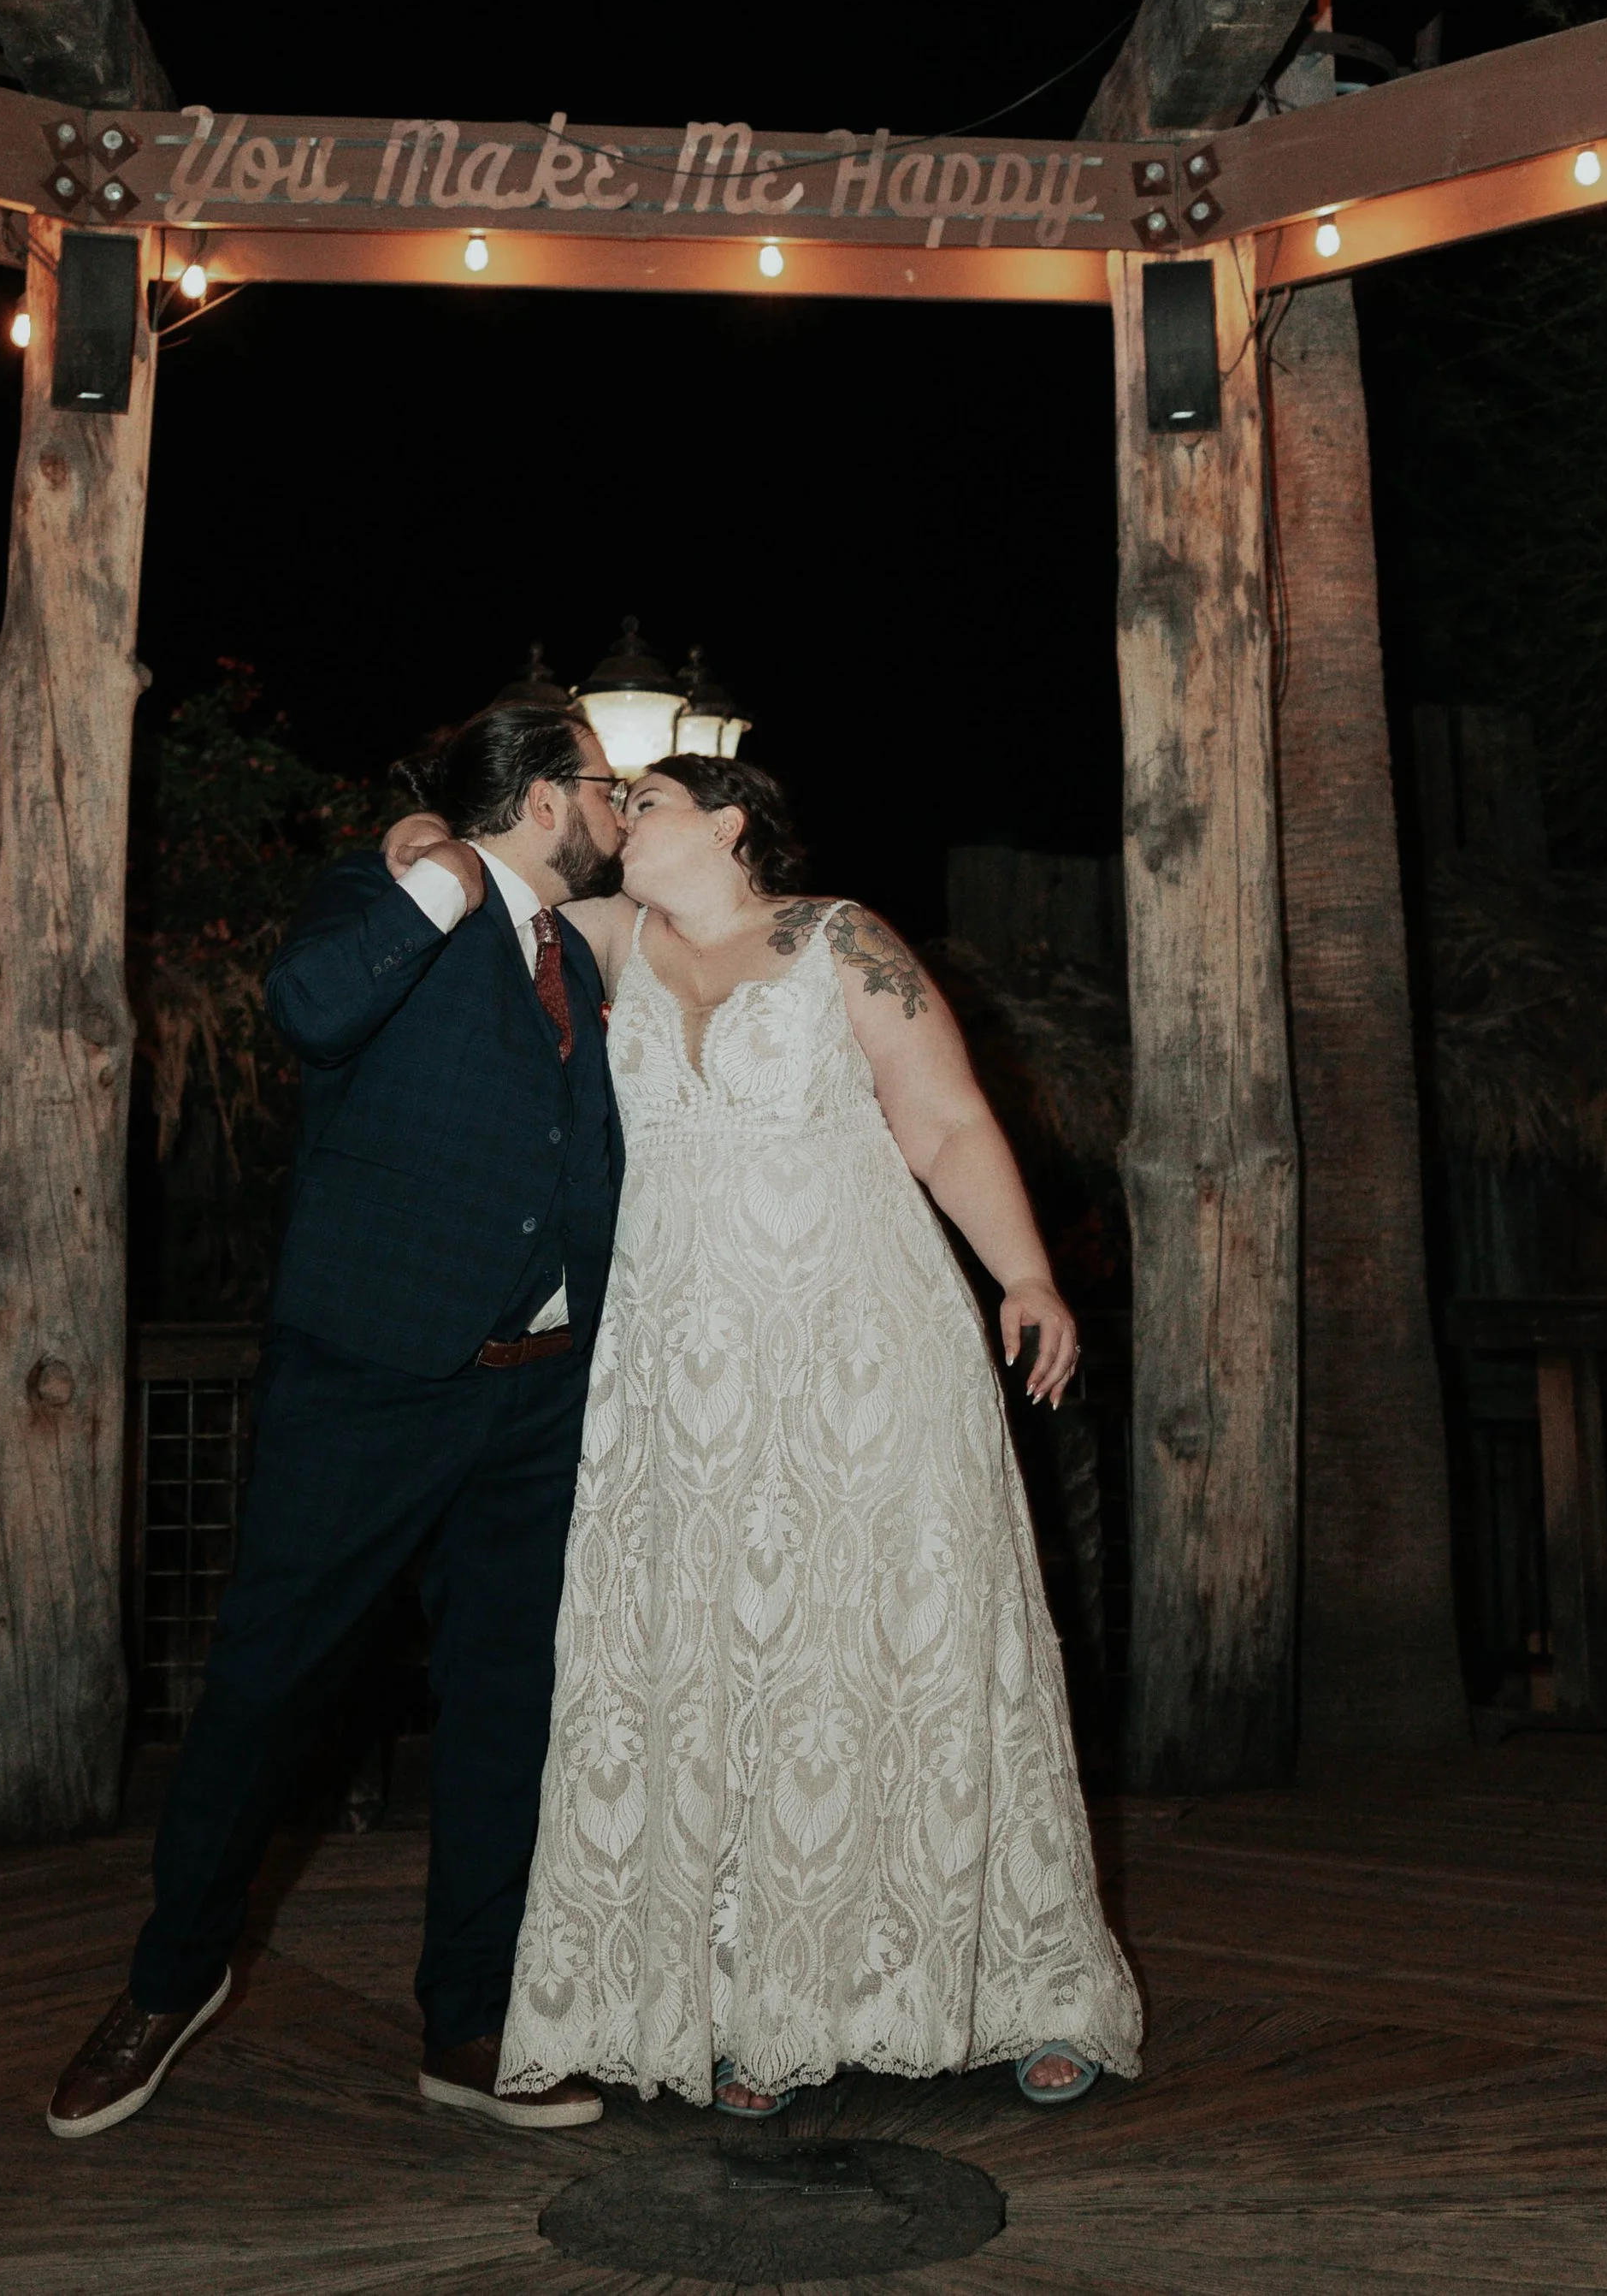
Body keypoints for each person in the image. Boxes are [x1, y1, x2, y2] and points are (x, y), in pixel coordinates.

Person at [392, 754, 1138, 2117]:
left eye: (653, 796)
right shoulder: (609, 937)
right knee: (726, 1661)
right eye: (610, 796)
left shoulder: (837, 934)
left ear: (731, 822)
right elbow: (435, 860)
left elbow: (947, 1116)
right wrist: (423, 828)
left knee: (886, 1646)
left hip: (862, 1356)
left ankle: (1023, 1981)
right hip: (681, 1377)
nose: (624, 815)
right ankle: (755, 2003)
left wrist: (1025, 1273)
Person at [46, 697, 630, 2142]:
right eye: (607, 790)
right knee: (267, 1686)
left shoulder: (581, 953)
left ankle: (471, 2022)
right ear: (547, 801)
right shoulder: (384, 892)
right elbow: (307, 1011)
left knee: (509, 1712)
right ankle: (168, 1983)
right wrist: (434, 863)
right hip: (374, 1377)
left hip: (542, 1392)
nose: (621, 812)